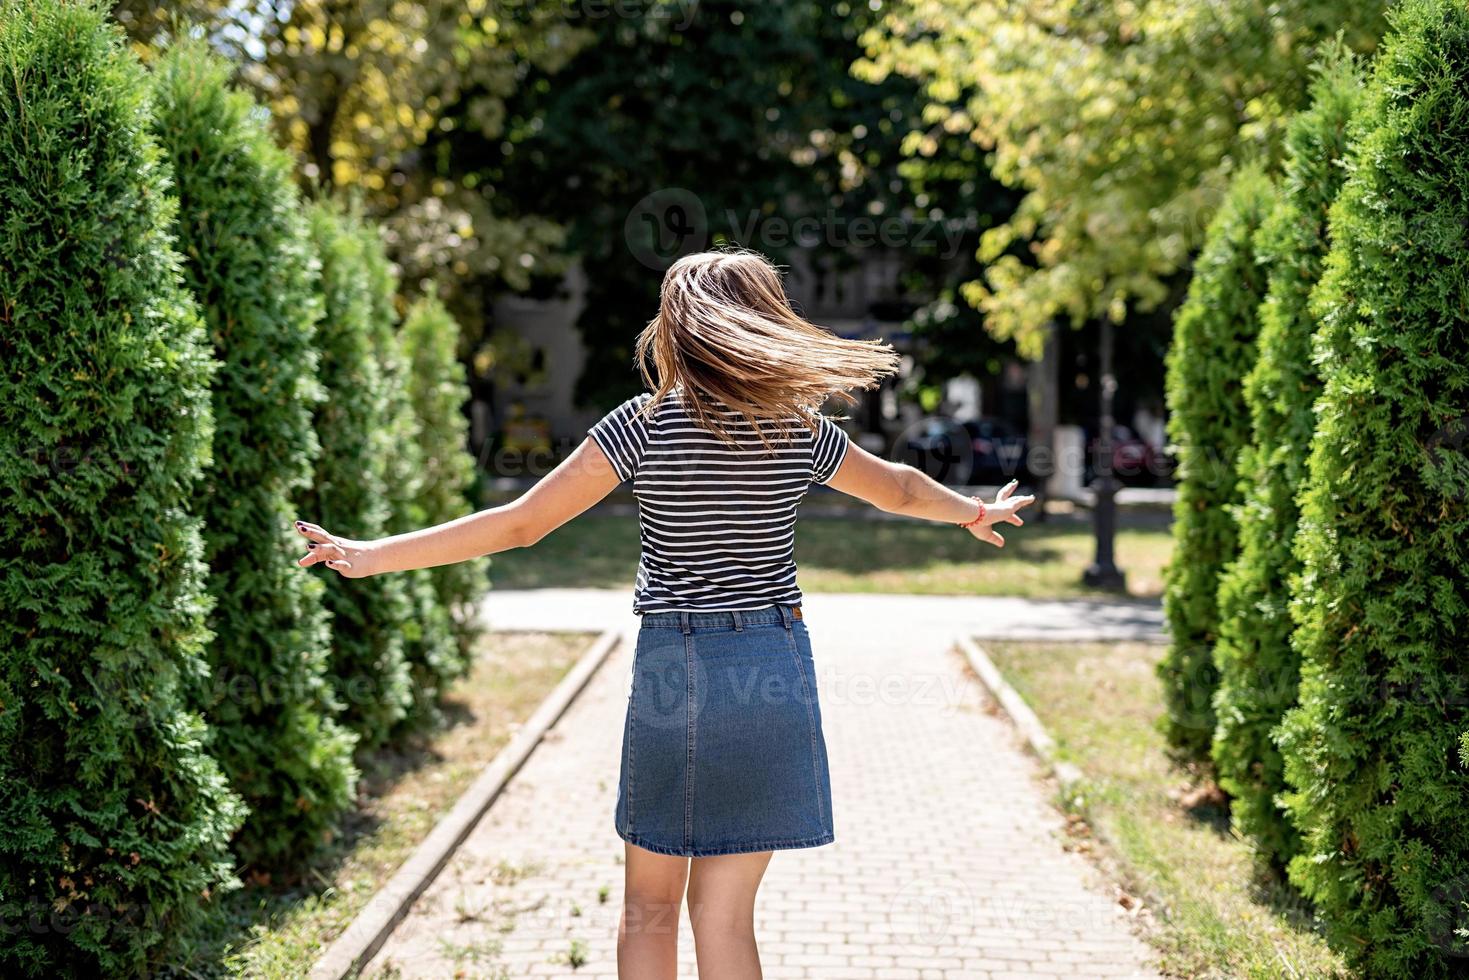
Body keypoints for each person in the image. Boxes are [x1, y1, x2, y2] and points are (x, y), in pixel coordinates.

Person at [294, 249, 1035, 980]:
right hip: (774, 667)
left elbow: (521, 524)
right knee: (726, 920)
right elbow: (901, 488)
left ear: (677, 331)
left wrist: (372, 554)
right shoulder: (796, 427)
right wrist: (973, 511)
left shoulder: (642, 426)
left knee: (649, 907)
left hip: (675, 672)